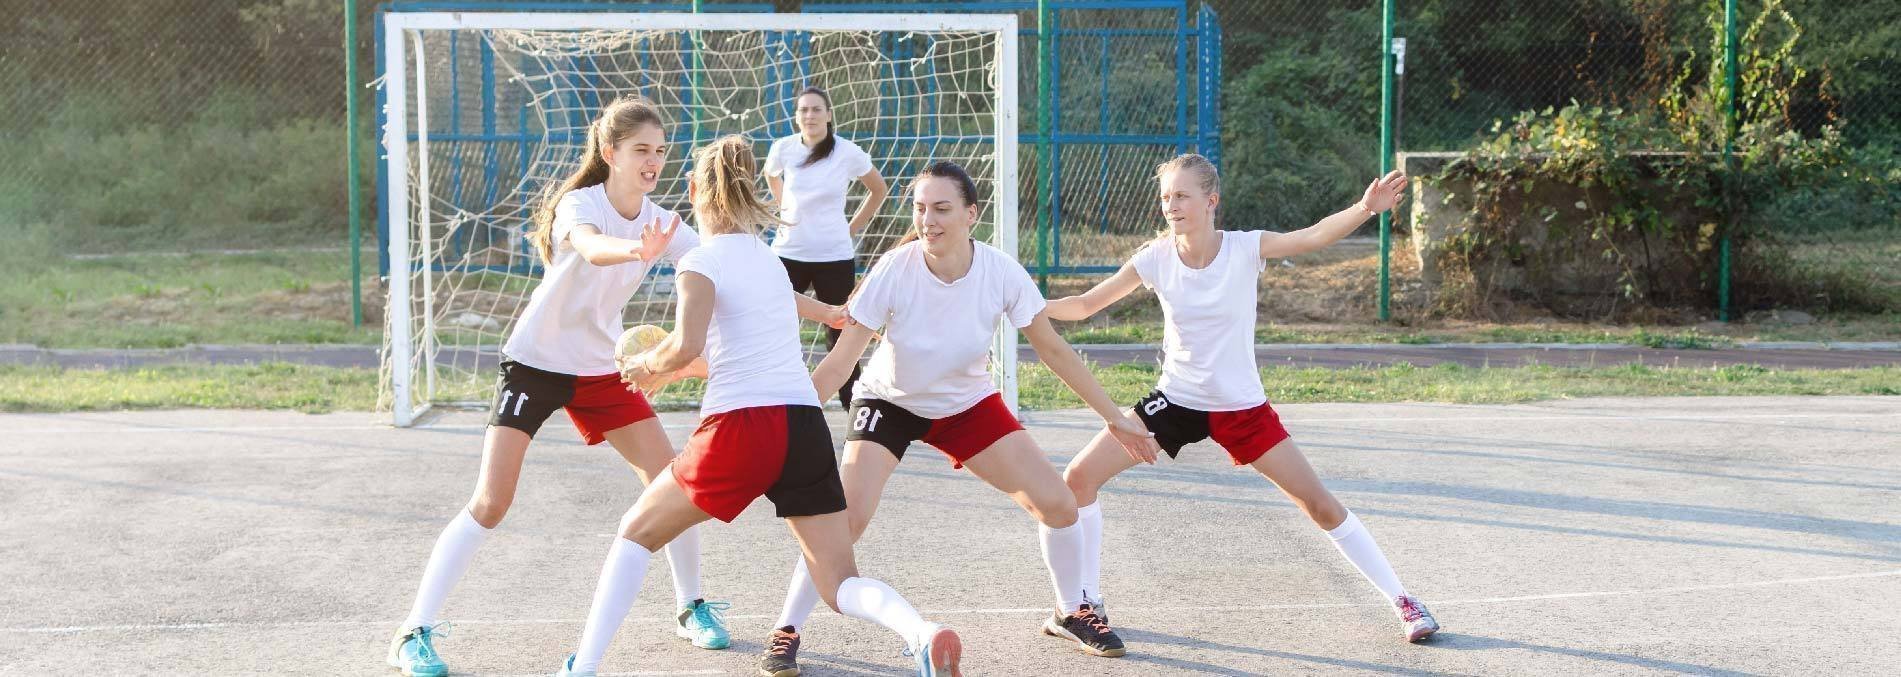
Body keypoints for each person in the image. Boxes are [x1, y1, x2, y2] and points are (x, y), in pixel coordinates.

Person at [553, 135, 964, 677]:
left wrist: (647, 365)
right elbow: (785, 325)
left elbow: (687, 345)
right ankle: (922, 633)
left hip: (742, 426)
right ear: (748, 191)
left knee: (636, 532)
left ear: (695, 189)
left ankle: (583, 666)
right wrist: (835, 313)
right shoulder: (770, 262)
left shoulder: (700, 261)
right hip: (804, 426)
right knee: (839, 583)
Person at [756, 160, 1163, 677]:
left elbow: (1054, 351)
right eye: (921, 208)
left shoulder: (1000, 272)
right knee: (845, 522)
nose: (929, 219)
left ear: (972, 214)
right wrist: (784, 420)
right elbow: (840, 363)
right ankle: (787, 629)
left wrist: (1114, 418)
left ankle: (1070, 610)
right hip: (889, 402)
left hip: (966, 406)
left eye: (942, 208)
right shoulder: (894, 270)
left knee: (1059, 505)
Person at [385, 97, 730, 677]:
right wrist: (634, 250)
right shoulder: (580, 204)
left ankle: (690, 605)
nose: (653, 162)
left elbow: (722, 269)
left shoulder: (663, 221)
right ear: (610, 152)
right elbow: (593, 248)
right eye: (641, 150)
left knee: (674, 482)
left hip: (601, 368)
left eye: (660, 152)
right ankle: (412, 631)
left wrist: (815, 309)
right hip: (535, 363)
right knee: (492, 502)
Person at [1044, 153, 1440, 643]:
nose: (1171, 205)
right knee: (1077, 478)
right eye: (1166, 196)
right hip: (1175, 402)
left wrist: (1365, 209)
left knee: (1319, 505)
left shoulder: (1246, 248)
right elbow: (1084, 306)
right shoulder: (1154, 257)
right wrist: (1024, 303)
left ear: (1211, 201)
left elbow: (1312, 236)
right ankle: (1086, 601)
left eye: (1182, 196)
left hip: (1242, 408)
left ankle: (1403, 600)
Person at [764, 86, 889, 405]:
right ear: (796, 116)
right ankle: (776, 397)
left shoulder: (847, 152)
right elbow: (770, 175)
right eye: (803, 109)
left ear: (829, 115)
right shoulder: (784, 148)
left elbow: (878, 189)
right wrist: (785, 210)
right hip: (788, 253)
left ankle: (854, 405)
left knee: (842, 334)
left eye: (816, 109)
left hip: (834, 256)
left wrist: (851, 228)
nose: (809, 115)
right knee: (775, 326)